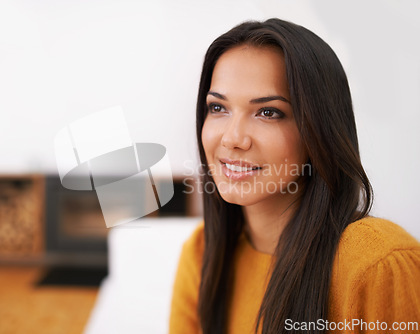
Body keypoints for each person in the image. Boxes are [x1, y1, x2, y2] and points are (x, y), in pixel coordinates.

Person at [169, 18, 420, 334]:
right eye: (218, 108)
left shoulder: (378, 263)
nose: (233, 139)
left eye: (268, 112)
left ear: (318, 131)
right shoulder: (202, 253)